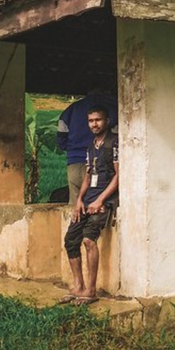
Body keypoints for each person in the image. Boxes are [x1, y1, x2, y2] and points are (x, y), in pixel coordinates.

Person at [59, 105, 119, 306]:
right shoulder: (91, 146)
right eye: (91, 121)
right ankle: (78, 286)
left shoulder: (114, 143)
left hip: (104, 201)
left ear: (107, 121)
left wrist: (100, 200)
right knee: (70, 240)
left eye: (98, 120)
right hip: (87, 200)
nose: (94, 124)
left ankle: (90, 290)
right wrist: (79, 200)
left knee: (88, 240)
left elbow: (119, 175)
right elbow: (87, 176)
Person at [57, 89, 118, 205]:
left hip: (74, 163)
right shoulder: (111, 108)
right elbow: (118, 136)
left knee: (76, 205)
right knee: (99, 204)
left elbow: (61, 137)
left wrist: (72, 150)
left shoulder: (72, 109)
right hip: (101, 165)